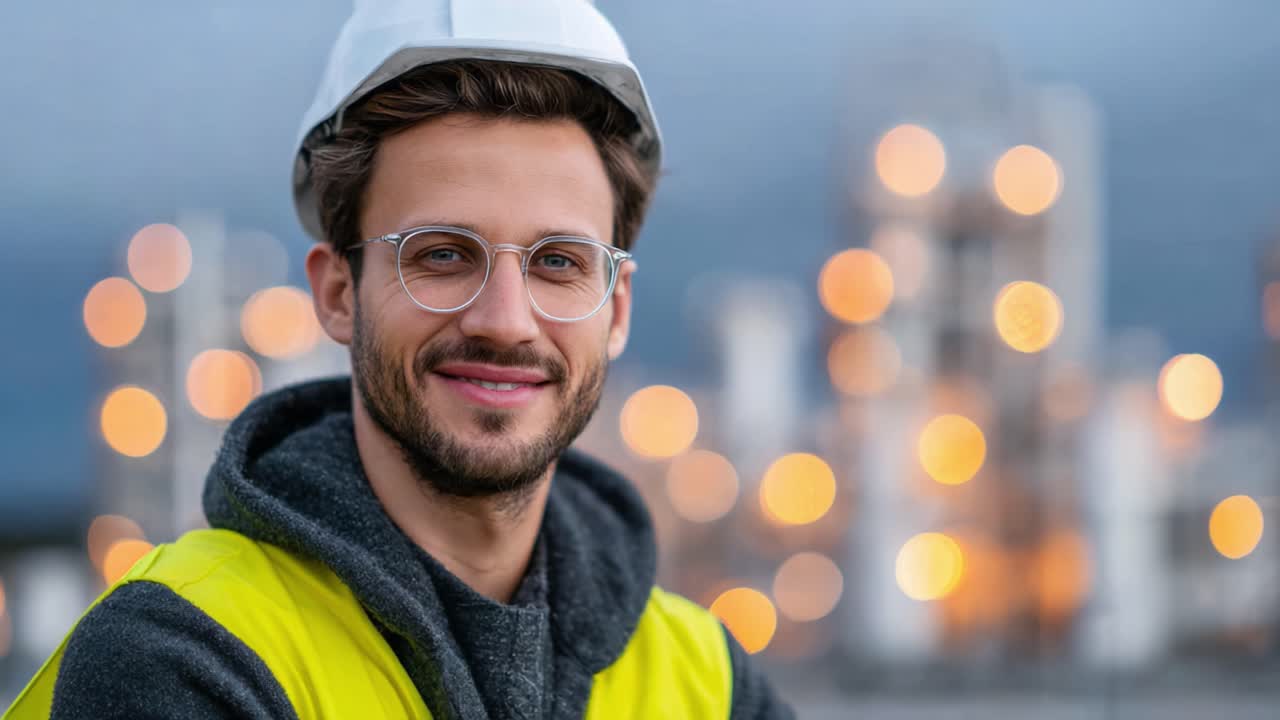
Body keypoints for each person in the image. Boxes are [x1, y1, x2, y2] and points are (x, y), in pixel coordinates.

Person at [5, 1, 794, 718]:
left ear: (616, 310)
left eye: (558, 263)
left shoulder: (708, 680)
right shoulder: (182, 653)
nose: (505, 322)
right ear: (339, 293)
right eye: (443, 254)